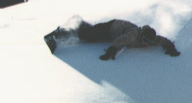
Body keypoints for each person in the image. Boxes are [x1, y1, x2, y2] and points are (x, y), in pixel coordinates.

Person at [44, 17, 180, 60]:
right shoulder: (133, 35)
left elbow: (163, 41)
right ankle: (58, 35)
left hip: (114, 28)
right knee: (88, 36)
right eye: (144, 41)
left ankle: (83, 25)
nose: (145, 45)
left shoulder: (151, 39)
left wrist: (170, 48)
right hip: (110, 29)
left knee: (90, 33)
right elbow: (120, 41)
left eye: (148, 43)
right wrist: (111, 51)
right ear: (142, 37)